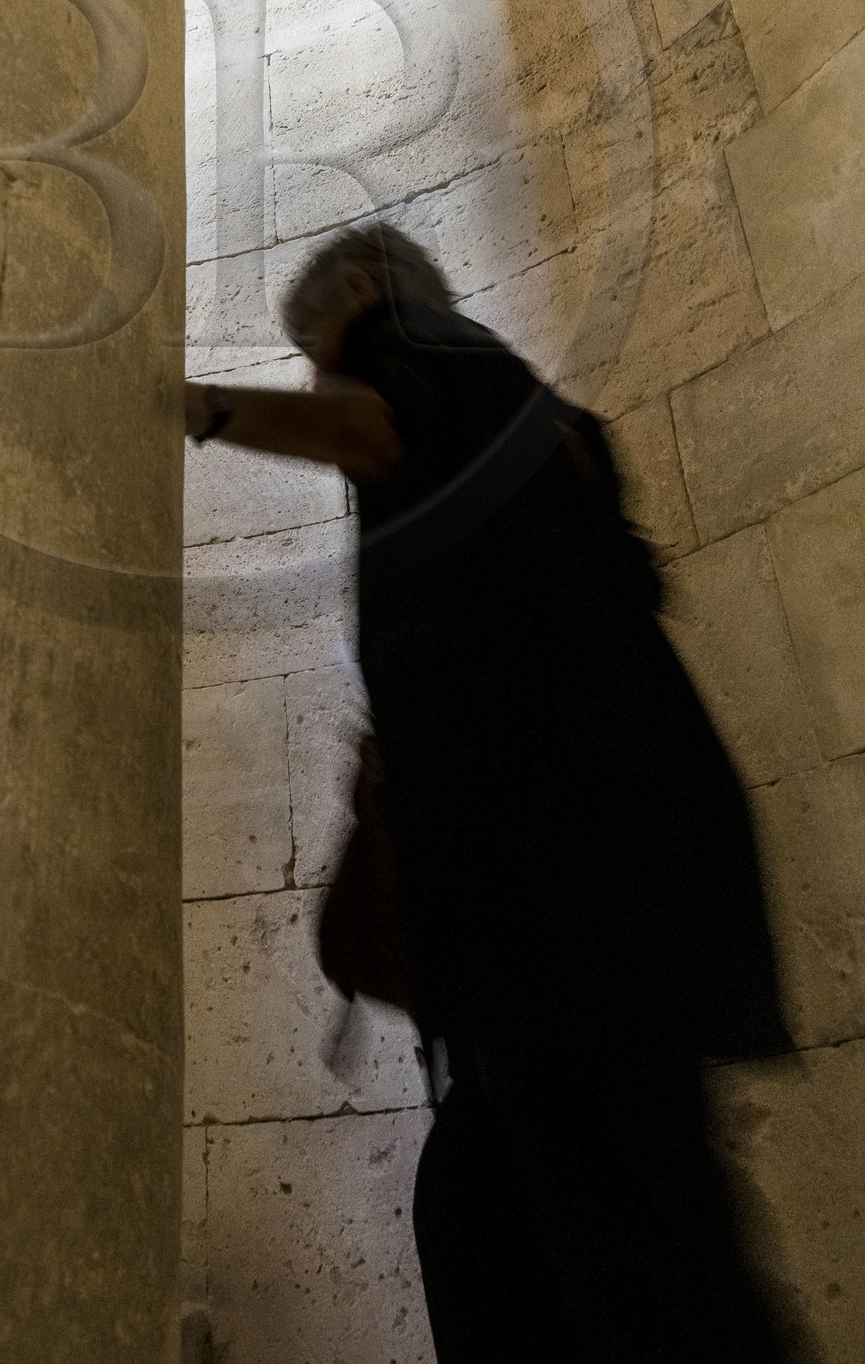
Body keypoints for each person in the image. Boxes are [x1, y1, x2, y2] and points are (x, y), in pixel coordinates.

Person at [184, 221, 789, 1364]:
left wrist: (195, 407)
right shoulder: (545, 427)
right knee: (517, 1212)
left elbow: (370, 426)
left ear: (360, 295)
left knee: (636, 1260)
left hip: (558, 901)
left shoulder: (425, 351)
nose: (317, 368)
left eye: (310, 343)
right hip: (602, 898)